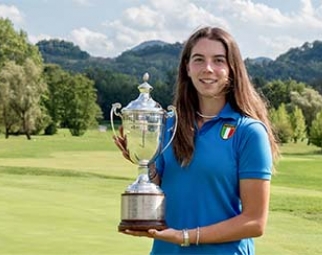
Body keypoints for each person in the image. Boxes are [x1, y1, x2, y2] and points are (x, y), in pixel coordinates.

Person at [114, 26, 279, 255]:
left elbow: (254, 222)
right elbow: (160, 187)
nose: (208, 69)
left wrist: (185, 237)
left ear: (232, 69)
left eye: (219, 60)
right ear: (187, 68)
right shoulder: (167, 124)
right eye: (199, 59)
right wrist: (144, 158)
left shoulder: (249, 132)